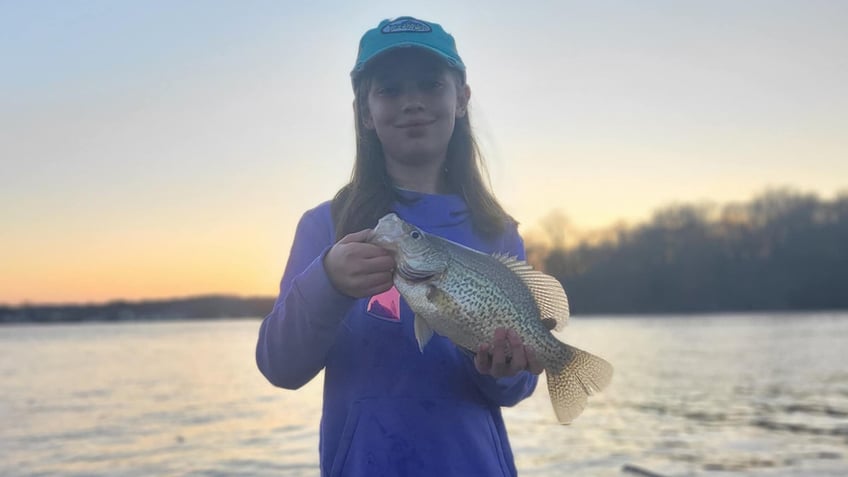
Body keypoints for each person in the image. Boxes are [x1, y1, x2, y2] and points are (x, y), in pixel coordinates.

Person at [256, 16, 542, 477]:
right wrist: (327, 280)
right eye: (389, 90)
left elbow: (513, 390)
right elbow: (279, 367)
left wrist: (506, 368)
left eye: (431, 84)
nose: (412, 102)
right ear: (365, 112)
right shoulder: (325, 225)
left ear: (462, 99)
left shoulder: (498, 232)